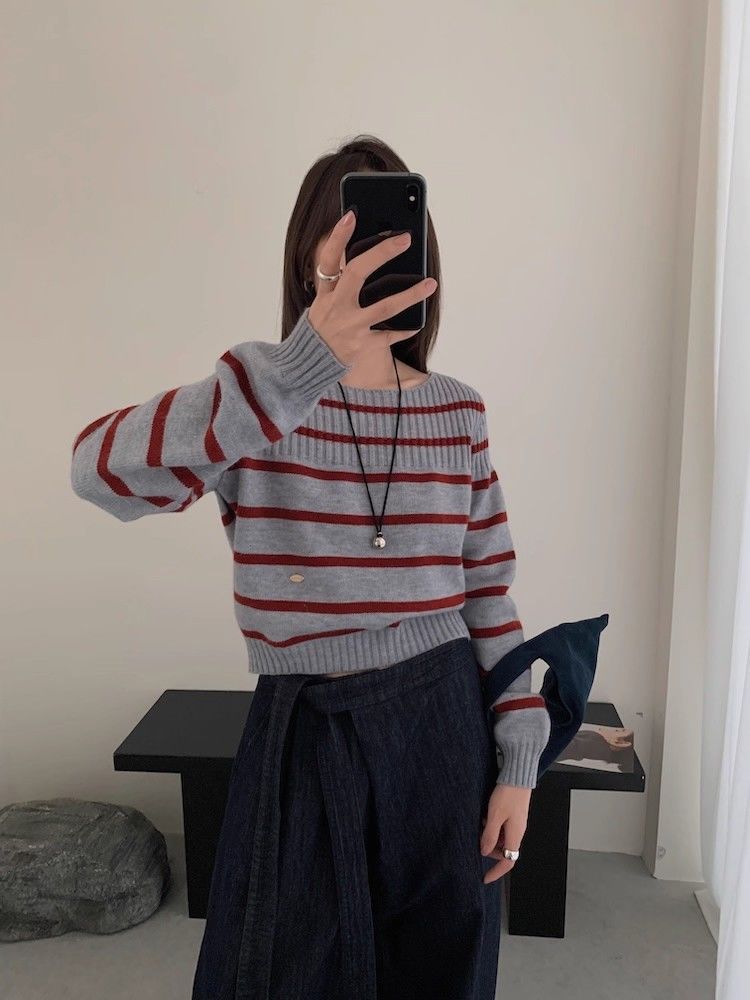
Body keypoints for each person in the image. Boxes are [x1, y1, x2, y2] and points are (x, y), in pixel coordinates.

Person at [70, 134, 552, 1000]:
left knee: (439, 967)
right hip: (303, 731)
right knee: (277, 972)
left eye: (394, 243)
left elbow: (488, 592)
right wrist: (291, 372)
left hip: (442, 725)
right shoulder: (254, 402)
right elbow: (95, 473)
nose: (371, 262)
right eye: (350, 243)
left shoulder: (458, 412)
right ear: (309, 258)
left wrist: (518, 759)